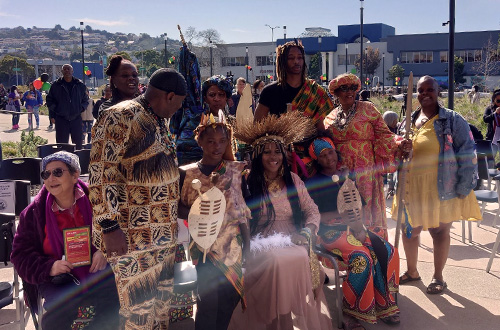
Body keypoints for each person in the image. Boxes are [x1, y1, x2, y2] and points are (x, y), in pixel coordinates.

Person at [89, 68, 186, 329]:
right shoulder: (120, 117)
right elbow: (100, 174)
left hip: (162, 238)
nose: (176, 110)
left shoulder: (157, 119)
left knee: (161, 309)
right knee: (138, 312)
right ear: (168, 96)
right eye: (177, 104)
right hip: (132, 237)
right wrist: (109, 226)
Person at [230, 111, 333, 330]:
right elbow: (237, 216)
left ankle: (282, 322)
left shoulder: (293, 180)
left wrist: (306, 232)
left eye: (277, 151)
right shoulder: (246, 181)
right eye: (266, 152)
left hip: (295, 239)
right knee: (277, 262)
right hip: (259, 242)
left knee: (290, 259)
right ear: (258, 155)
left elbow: (312, 211)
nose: (273, 156)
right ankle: (276, 323)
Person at [393, 75, 481, 294]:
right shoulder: (408, 121)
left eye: (429, 89)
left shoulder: (452, 119)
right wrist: (399, 150)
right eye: (420, 90)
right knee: (409, 229)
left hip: (442, 186)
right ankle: (412, 271)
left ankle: (438, 277)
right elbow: (397, 153)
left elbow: (468, 151)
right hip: (411, 185)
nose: (424, 94)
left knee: (438, 232)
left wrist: (463, 186)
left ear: (438, 91)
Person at [11, 151, 120, 329]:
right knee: (59, 314)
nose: (51, 178)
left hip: (97, 271)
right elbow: (20, 256)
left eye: (58, 172)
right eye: (46, 174)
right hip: (59, 280)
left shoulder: (98, 201)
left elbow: (117, 230)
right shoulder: (32, 214)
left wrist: (104, 250)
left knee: (113, 303)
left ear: (75, 175)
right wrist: (50, 267)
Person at [305, 137, 400, 329]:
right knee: (361, 257)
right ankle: (353, 313)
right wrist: (343, 216)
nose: (329, 158)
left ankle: (383, 303)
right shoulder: (312, 183)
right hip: (329, 232)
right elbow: (313, 215)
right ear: (317, 160)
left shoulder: (346, 176)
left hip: (355, 226)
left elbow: (358, 206)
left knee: (387, 251)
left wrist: (357, 226)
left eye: (330, 152)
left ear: (335, 151)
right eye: (322, 156)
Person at [178, 113, 250, 330]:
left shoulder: (236, 171)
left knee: (230, 299)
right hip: (204, 246)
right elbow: (177, 207)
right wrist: (199, 210)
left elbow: (242, 210)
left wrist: (248, 244)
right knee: (208, 302)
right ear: (199, 141)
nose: (216, 147)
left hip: (232, 245)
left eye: (222, 141)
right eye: (210, 141)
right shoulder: (186, 173)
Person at [324, 73, 410, 239]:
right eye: (344, 88)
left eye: (352, 88)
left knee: (365, 213)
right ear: (335, 93)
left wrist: (400, 144)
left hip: (366, 173)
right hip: (341, 173)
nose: (349, 92)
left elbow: (385, 135)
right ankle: (349, 254)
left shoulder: (368, 109)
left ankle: (372, 253)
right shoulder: (330, 116)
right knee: (345, 210)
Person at [254, 40, 332, 131]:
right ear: (283, 61)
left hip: (311, 143)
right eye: (291, 58)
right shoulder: (270, 91)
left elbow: (321, 127)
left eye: (300, 58)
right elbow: (257, 125)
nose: (296, 61)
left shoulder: (315, 90)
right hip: (279, 143)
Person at [46, 64, 89, 150]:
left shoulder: (79, 85)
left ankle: (77, 162)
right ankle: (63, 162)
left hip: (76, 119)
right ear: (62, 72)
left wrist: (80, 108)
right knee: (62, 146)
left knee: (78, 146)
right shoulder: (56, 85)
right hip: (61, 119)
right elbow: (50, 100)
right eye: (64, 69)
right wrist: (55, 112)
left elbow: (85, 100)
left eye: (68, 69)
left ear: (72, 71)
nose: (67, 71)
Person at [482, 89, 500, 157]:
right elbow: (485, 119)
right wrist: (495, 114)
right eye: (498, 101)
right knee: (491, 157)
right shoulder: (489, 109)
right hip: (492, 137)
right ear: (494, 100)